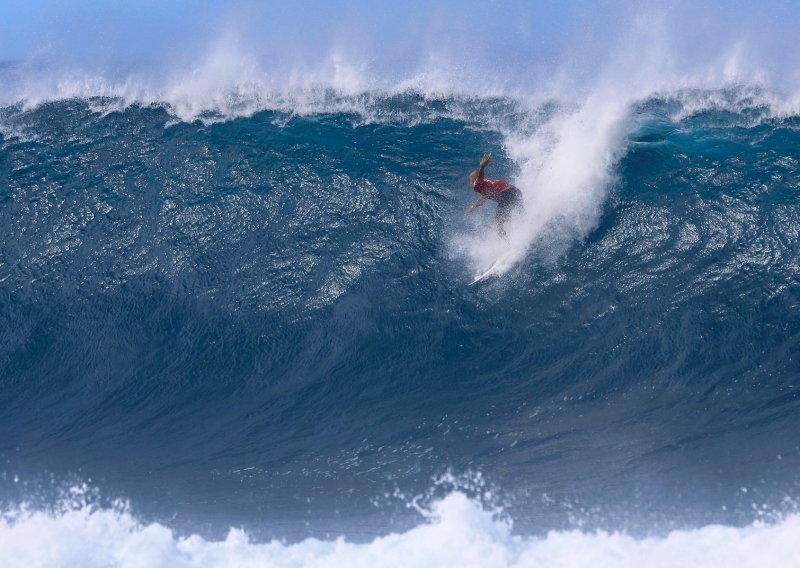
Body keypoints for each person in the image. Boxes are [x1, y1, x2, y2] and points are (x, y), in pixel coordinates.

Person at [464, 154, 523, 241]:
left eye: (470, 181)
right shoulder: (486, 189)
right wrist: (470, 209)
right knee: (517, 214)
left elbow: (479, 179)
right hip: (515, 193)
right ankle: (526, 228)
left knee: (498, 224)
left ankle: (511, 245)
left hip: (507, 195)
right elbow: (479, 201)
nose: (470, 184)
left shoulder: (477, 185)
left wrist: (482, 166)